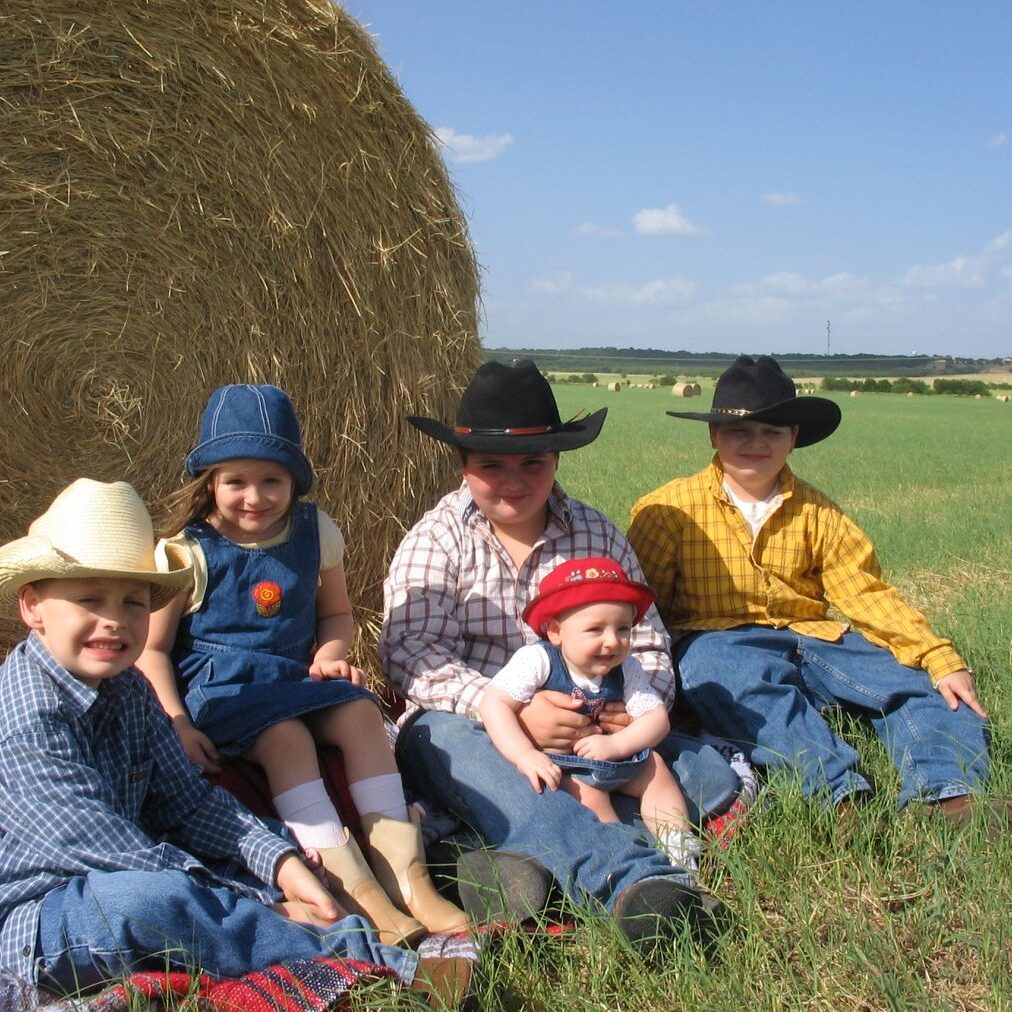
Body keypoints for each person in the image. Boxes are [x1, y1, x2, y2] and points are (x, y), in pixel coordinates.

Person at [0, 478, 467, 1002]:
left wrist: (280, 863)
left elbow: (192, 805)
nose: (113, 621)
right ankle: (373, 960)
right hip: (49, 919)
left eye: (133, 603)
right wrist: (256, 898)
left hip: (140, 872)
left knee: (259, 857)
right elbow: (112, 853)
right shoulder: (28, 715)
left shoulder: (129, 690)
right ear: (32, 607)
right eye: (89, 599)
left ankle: (347, 902)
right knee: (149, 900)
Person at [380, 359, 746, 947]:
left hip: (591, 735)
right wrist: (510, 715)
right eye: (490, 465)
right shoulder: (438, 537)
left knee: (705, 773)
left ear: (557, 460)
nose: (513, 480)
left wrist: (630, 707)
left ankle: (478, 859)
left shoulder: (597, 536)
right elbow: (409, 651)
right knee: (447, 749)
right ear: (463, 466)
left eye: (534, 462)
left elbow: (647, 638)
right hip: (467, 728)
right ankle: (633, 882)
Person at [139, 384, 467, 947]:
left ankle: (407, 877)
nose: (255, 497)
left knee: (363, 716)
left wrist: (329, 657)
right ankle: (352, 886)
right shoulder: (186, 554)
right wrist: (178, 722)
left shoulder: (317, 534)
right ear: (209, 482)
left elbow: (336, 614)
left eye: (272, 480)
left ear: (294, 481)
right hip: (224, 692)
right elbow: (151, 649)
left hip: (294, 677)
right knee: (287, 739)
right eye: (236, 481)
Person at [628, 354, 1008, 827]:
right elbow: (642, 607)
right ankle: (837, 794)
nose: (755, 444)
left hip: (812, 635)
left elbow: (865, 592)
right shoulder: (668, 509)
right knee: (720, 669)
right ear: (714, 436)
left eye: (772, 432)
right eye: (739, 431)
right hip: (717, 638)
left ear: (794, 439)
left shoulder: (817, 511)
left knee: (919, 681)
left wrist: (936, 655)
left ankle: (949, 797)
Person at [480, 557, 699, 882]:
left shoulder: (626, 668)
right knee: (589, 798)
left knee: (656, 769)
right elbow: (493, 703)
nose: (612, 641)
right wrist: (526, 755)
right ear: (555, 631)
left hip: (611, 755)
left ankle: (680, 851)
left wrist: (616, 743)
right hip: (565, 766)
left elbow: (656, 718)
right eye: (595, 629)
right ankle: (624, 861)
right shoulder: (538, 659)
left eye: (623, 629)